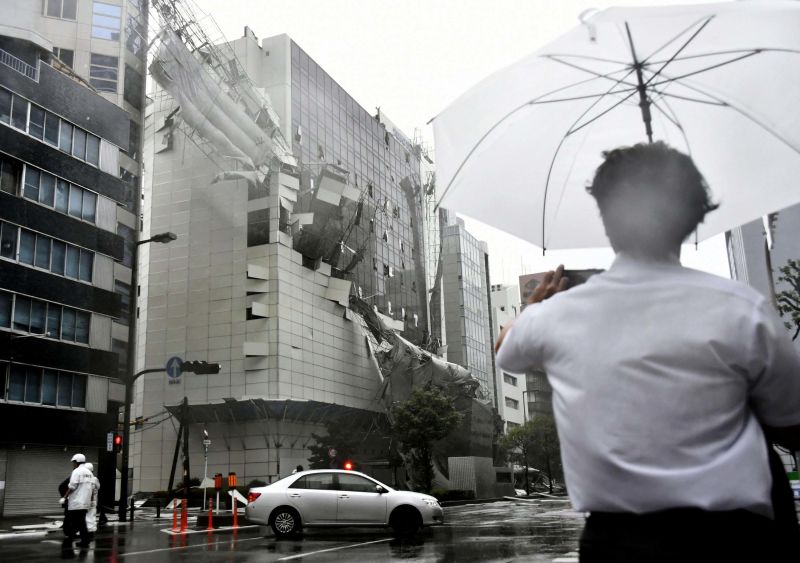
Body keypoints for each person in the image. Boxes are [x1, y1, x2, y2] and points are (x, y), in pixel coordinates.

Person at [495, 142, 800, 562]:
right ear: (694, 215)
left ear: (606, 217)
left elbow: (504, 352)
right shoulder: (742, 309)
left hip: (617, 542)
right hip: (737, 539)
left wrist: (534, 308)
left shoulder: (556, 314)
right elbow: (791, 421)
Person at [60, 453, 93, 548]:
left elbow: (72, 486)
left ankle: (81, 540)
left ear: (77, 462)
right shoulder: (89, 473)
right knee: (81, 521)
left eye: (73, 462)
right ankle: (84, 540)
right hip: (85, 502)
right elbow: (90, 488)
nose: (73, 464)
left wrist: (64, 497)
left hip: (76, 502)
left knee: (77, 521)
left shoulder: (77, 471)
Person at [83, 463, 101, 539]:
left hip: (85, 501)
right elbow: (98, 487)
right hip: (93, 501)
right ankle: (91, 532)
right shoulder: (95, 479)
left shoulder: (84, 479)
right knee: (91, 517)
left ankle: (85, 532)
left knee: (84, 517)